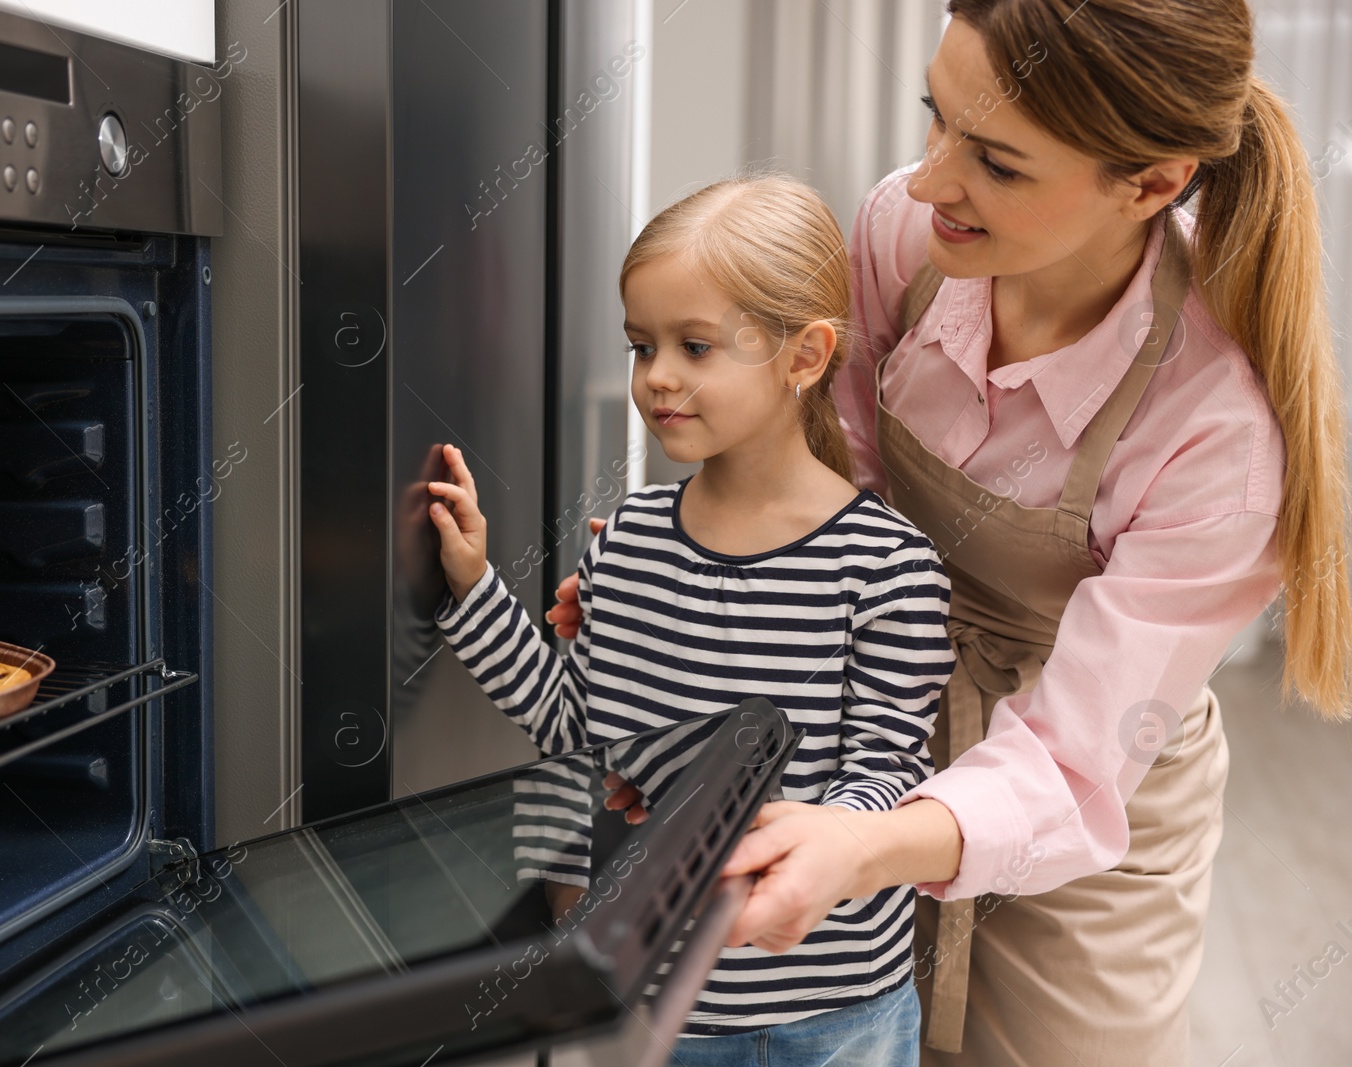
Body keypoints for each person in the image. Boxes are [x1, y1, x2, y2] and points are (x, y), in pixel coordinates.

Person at [547, 2, 1352, 1063]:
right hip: (864, 716)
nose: (926, 181)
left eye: (997, 162)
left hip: (1079, 816)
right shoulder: (904, 238)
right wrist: (694, 601)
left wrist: (873, 842)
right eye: (935, 116)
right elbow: (830, 485)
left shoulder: (1217, 437)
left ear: (1153, 183)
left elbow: (1070, 760)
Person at [426, 174, 956, 1065]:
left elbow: (885, 780)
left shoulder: (888, 565)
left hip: (835, 1016)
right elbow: (576, 725)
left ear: (805, 356)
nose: (657, 376)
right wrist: (475, 586)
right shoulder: (629, 538)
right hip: (658, 1013)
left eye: (696, 346)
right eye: (642, 346)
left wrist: (773, 848)